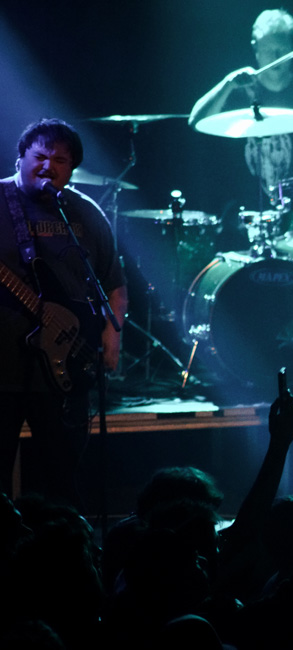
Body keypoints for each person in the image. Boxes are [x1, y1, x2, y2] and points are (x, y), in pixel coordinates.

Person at [0, 118, 127, 508]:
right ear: (20, 157)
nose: (48, 166)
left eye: (60, 160)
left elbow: (114, 284)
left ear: (71, 169)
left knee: (64, 483)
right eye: (39, 155)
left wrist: (113, 332)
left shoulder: (84, 212)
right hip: (3, 367)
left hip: (64, 369)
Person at [188, 8, 293, 194]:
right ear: (255, 48)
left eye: (282, 49)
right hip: (245, 214)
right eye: (268, 50)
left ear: (292, 49)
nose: (276, 57)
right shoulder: (238, 93)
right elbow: (195, 121)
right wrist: (227, 83)